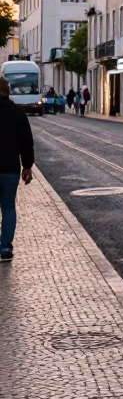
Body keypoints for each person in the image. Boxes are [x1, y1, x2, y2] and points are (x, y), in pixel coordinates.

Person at [0, 75, 34, 263]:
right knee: (8, 207)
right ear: (8, 91)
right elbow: (27, 142)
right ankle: (5, 247)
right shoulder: (17, 113)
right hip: (10, 169)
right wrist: (27, 166)